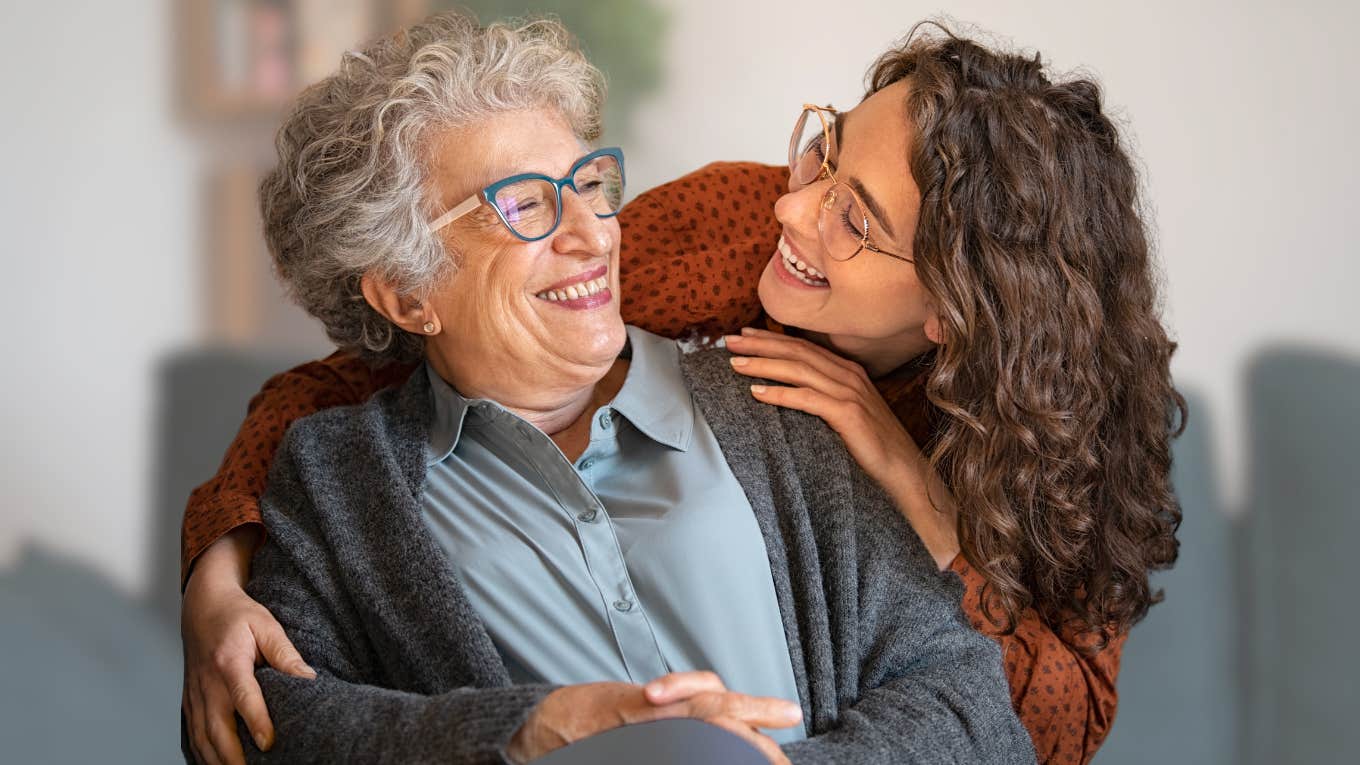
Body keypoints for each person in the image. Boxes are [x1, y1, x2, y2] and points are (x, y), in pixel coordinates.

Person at [181, 19, 1183, 765]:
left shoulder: (884, 429)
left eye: (855, 219)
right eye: (823, 152)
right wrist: (217, 564)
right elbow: (362, 375)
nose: (793, 207)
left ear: (950, 311)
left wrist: (905, 483)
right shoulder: (730, 242)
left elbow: (1018, 718)